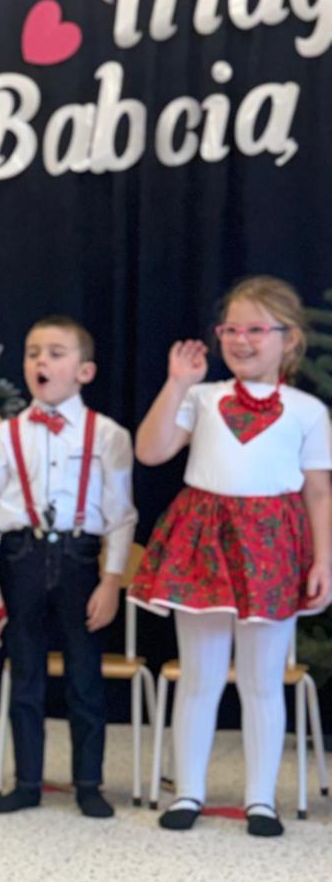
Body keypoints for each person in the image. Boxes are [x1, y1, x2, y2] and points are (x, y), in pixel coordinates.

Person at [131, 276, 332, 836]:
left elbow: (319, 492)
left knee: (263, 680)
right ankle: (188, 792)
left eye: (256, 329)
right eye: (231, 329)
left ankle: (260, 800)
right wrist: (178, 383)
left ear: (289, 339)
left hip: (272, 547)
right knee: (200, 676)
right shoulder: (203, 396)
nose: (241, 340)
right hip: (204, 542)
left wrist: (324, 560)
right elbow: (150, 451)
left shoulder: (307, 410)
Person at [0, 317, 136, 818]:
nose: (41, 361)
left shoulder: (108, 435)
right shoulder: (6, 436)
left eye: (55, 352)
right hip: (21, 559)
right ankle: (27, 782)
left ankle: (89, 783)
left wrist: (111, 581)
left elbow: (121, 516)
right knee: (24, 673)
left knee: (84, 677)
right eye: (32, 352)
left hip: (79, 560)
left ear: (84, 371)